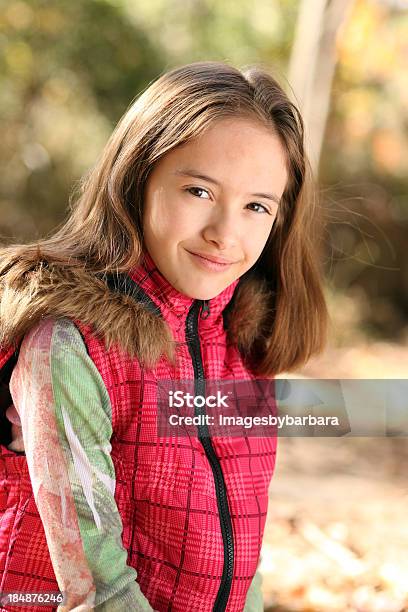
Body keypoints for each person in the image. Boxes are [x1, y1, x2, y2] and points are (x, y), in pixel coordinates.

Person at [0, 61, 328, 611]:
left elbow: (245, 561)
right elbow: (98, 592)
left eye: (256, 206)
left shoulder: (244, 348)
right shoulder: (70, 345)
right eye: (199, 191)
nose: (225, 234)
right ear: (137, 180)